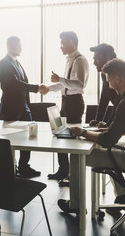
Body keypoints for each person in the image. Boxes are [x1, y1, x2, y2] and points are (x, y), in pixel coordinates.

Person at [58, 58, 125, 216]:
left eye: (109, 82)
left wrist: (83, 132)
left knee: (76, 155)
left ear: (117, 79)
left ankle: (76, 204)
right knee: (108, 148)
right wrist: (110, 129)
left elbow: (107, 140)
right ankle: (122, 196)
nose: (111, 87)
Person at [41, 31, 89, 186]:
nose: (60, 46)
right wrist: (50, 87)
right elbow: (66, 83)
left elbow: (79, 84)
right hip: (65, 101)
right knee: (59, 134)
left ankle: (73, 176)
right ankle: (63, 170)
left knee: (73, 140)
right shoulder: (70, 60)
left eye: (63, 43)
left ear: (72, 43)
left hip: (75, 102)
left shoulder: (80, 60)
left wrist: (60, 79)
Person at [0, 36, 47, 177]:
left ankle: (24, 166)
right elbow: (15, 84)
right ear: (11, 46)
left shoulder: (16, 63)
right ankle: (11, 169)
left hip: (23, 107)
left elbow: (22, 85)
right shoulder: (4, 63)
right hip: (11, 107)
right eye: (19, 45)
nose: (21, 48)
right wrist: (37, 88)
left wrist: (28, 105)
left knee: (28, 138)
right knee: (11, 139)